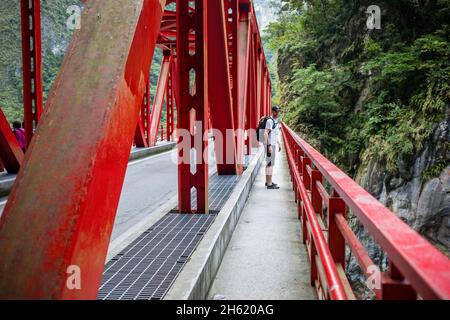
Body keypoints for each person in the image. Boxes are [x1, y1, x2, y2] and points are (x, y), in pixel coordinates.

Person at [264, 106, 282, 189]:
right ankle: (269, 183)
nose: (278, 113)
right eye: (276, 111)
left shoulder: (276, 121)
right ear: (273, 112)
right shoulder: (269, 121)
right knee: (270, 164)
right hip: (270, 145)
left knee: (270, 163)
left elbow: (275, 133)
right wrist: (269, 145)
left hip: (274, 144)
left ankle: (268, 181)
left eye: (278, 111)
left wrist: (279, 144)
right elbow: (265, 133)